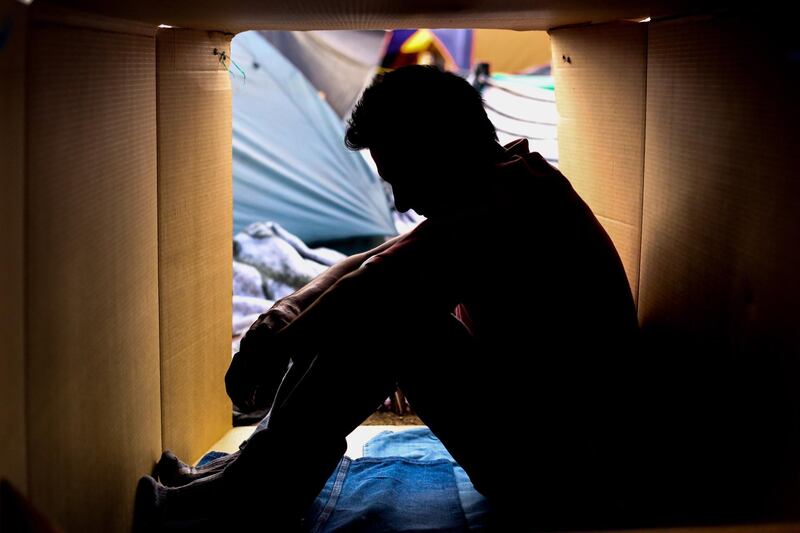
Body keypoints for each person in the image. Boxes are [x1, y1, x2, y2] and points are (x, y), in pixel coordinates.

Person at [134, 65, 640, 532]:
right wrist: (281, 316)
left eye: (402, 177)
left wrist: (278, 346)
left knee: (391, 317)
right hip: (547, 453)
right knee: (371, 302)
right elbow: (374, 258)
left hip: (570, 482)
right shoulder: (508, 180)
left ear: (443, 149)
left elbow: (376, 279)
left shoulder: (508, 206)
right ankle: (255, 472)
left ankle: (256, 494)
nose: (400, 202)